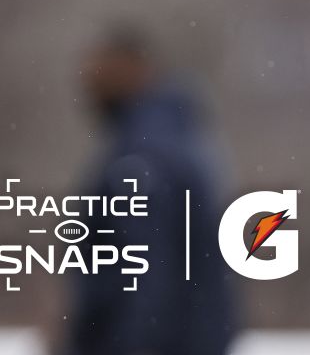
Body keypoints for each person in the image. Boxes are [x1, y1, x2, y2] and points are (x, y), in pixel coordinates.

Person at [64, 23, 238, 355]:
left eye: (101, 67)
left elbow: (145, 276)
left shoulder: (146, 155)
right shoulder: (173, 138)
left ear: (137, 68)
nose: (88, 78)